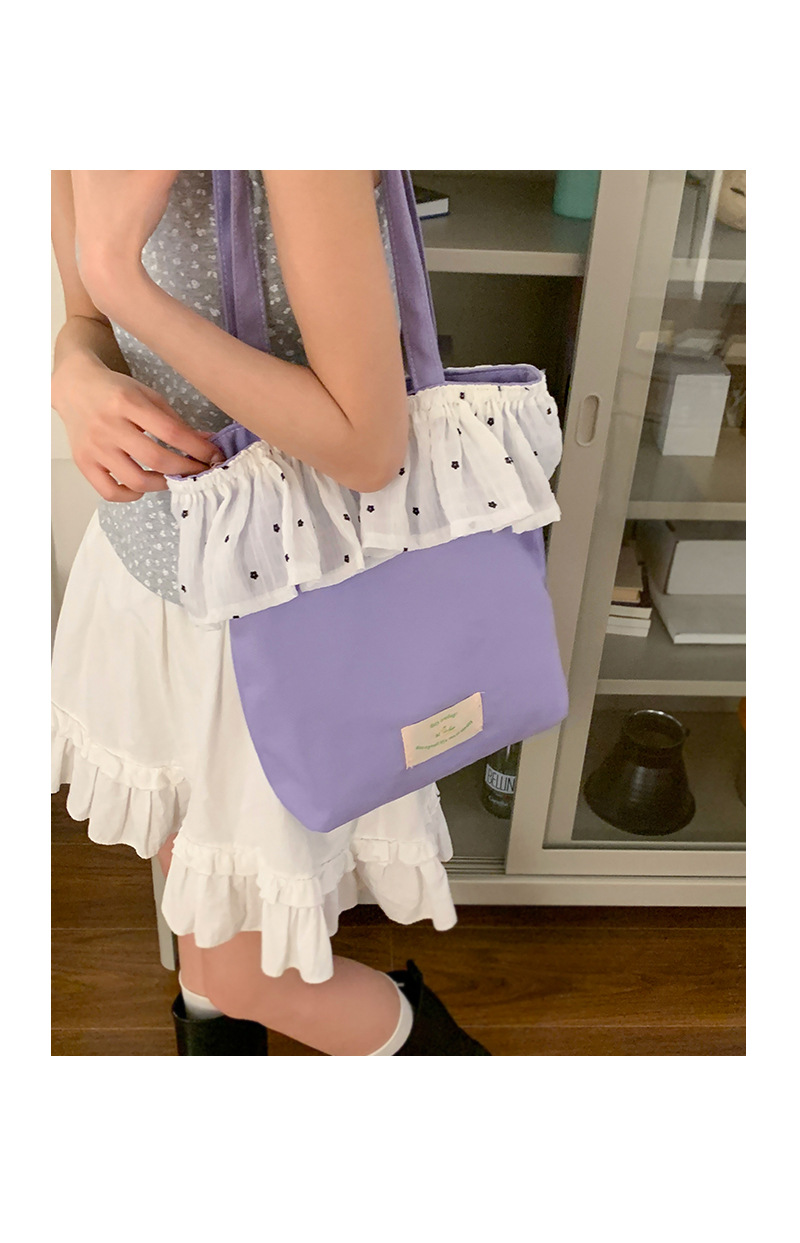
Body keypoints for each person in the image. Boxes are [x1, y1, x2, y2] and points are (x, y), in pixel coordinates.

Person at [51, 169, 491, 1056]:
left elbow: (367, 445)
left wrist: (121, 275)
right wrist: (71, 377)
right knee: (201, 909)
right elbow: (87, 322)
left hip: (278, 620)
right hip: (154, 587)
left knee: (236, 972)